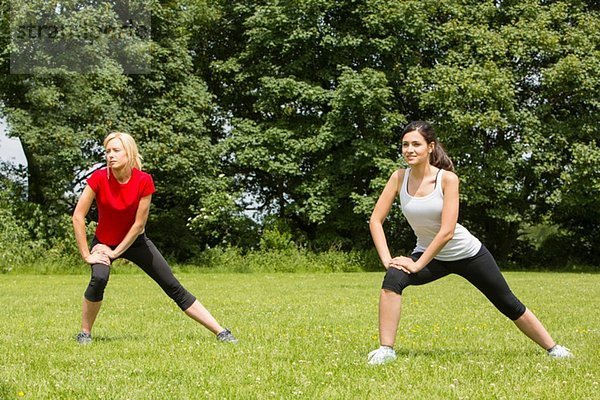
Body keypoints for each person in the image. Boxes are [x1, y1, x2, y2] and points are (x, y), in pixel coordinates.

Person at [367, 121, 572, 365]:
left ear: (430, 147)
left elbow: (447, 232)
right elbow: (375, 220)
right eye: (405, 144)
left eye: (416, 144)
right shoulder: (399, 177)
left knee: (507, 302)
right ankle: (386, 351)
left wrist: (417, 264)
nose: (409, 150)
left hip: (467, 253)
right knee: (393, 279)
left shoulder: (447, 179)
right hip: (429, 254)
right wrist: (388, 260)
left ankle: (554, 348)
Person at [72, 132, 237, 345]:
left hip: (136, 241)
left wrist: (115, 253)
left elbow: (138, 225)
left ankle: (221, 332)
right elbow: (78, 216)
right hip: (104, 243)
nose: (110, 155)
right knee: (99, 277)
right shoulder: (98, 179)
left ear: (129, 153)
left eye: (116, 150)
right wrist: (87, 255)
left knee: (172, 286)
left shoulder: (143, 181)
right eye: (107, 151)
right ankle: (85, 333)